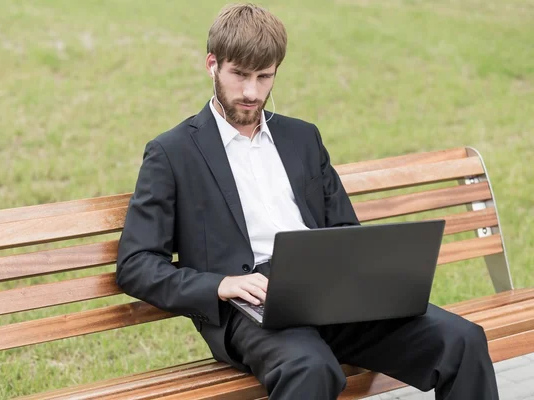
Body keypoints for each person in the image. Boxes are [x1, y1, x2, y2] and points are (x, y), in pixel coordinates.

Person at [116, 4, 499, 399]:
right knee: (311, 368)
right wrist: (221, 285)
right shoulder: (173, 152)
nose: (251, 92)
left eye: (264, 77)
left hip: (330, 291)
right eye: (239, 75)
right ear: (212, 64)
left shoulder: (302, 139)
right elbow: (135, 264)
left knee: (462, 340)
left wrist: (372, 278)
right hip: (248, 305)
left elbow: (345, 230)